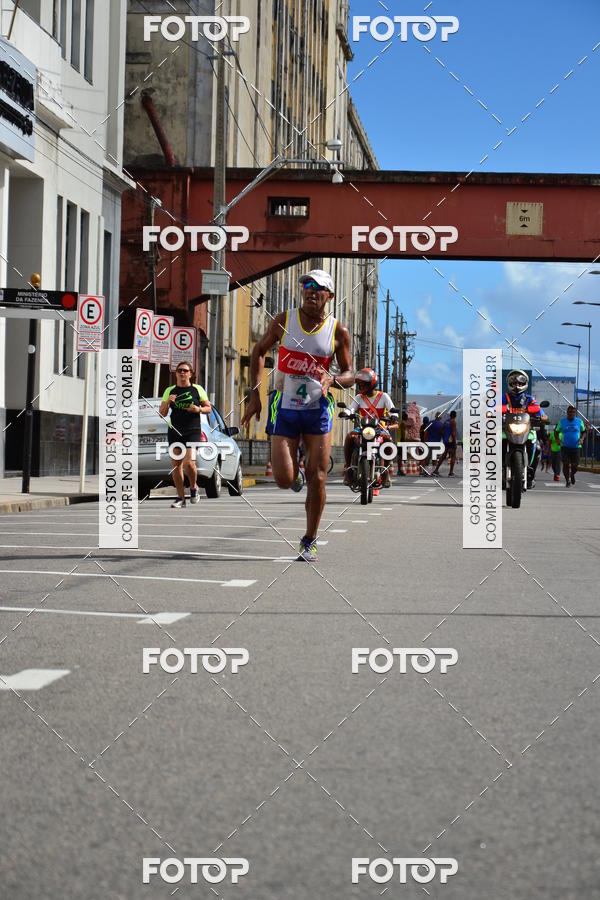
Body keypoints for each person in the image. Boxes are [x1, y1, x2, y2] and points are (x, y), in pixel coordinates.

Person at [241, 269, 353, 561]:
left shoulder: (338, 331)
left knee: (319, 477)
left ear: (329, 295)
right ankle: (296, 475)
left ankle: (309, 539)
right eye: (306, 285)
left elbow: (350, 372)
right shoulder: (283, 320)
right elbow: (258, 351)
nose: (310, 291)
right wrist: (255, 395)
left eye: (318, 288)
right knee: (283, 478)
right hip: (285, 406)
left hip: (318, 410)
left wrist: (333, 380)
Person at [159, 362, 212, 508]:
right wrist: (168, 403)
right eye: (179, 370)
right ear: (176, 373)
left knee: (189, 463)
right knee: (176, 465)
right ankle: (180, 498)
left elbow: (209, 408)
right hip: (175, 431)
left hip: (193, 430)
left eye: (185, 370)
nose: (182, 373)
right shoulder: (170, 390)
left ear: (190, 373)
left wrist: (198, 409)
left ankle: (194, 487)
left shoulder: (197, 389)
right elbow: (162, 414)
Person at [343, 368, 397, 488]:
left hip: (379, 429)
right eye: (360, 384)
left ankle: (386, 472)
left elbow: (392, 409)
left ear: (371, 384)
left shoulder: (384, 396)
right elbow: (351, 408)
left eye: (363, 384)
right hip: (363, 429)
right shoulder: (358, 397)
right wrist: (346, 413)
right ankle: (348, 469)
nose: (361, 387)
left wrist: (394, 415)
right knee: (349, 437)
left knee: (389, 442)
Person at [502, 369, 547, 488]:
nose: (517, 386)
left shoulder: (529, 398)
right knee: (493, 441)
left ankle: (531, 473)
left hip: (526, 428)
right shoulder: (504, 397)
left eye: (520, 383)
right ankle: (497, 466)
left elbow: (538, 408)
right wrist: (490, 412)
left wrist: (542, 415)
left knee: (537, 447)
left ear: (524, 384)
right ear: (509, 384)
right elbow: (493, 407)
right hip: (506, 428)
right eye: (514, 383)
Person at [555, 405, 586, 487]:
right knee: (565, 464)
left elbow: (584, 431)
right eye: (569, 412)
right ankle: (567, 480)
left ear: (575, 413)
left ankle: (572, 474)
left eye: (573, 412)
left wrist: (582, 439)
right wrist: (558, 439)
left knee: (575, 466)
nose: (571, 414)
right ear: (567, 413)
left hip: (576, 447)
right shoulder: (562, 421)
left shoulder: (579, 421)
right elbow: (556, 431)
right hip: (565, 446)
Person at [433, 410, 457, 476]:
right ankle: (451, 472)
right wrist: (454, 442)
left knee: (443, 456)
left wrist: (444, 437)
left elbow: (441, 430)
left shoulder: (446, 421)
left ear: (450, 415)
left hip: (446, 441)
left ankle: (436, 470)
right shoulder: (453, 421)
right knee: (453, 456)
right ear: (455, 416)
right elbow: (453, 433)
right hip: (451, 441)